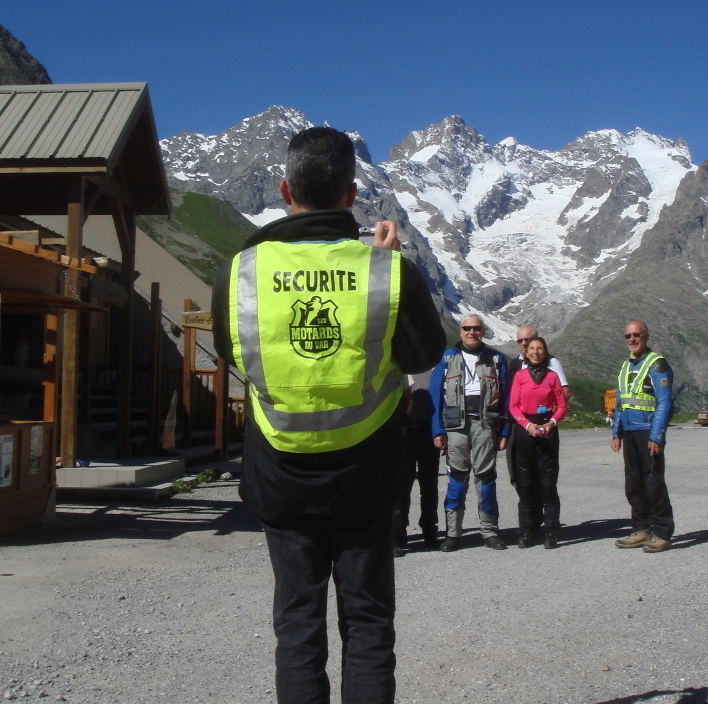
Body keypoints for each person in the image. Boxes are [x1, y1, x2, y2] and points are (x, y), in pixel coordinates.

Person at [211, 126, 445, 704]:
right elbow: (423, 355)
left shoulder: (240, 274)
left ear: (285, 190)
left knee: (297, 626)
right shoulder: (387, 273)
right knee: (367, 624)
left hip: (280, 476)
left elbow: (231, 353)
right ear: (352, 193)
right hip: (367, 478)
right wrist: (385, 267)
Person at [430, 314, 510, 551]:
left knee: (486, 478)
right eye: (467, 328)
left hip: (485, 425)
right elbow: (436, 398)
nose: (471, 332)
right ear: (460, 331)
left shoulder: (496, 359)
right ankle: (453, 534)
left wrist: (504, 429)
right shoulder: (446, 358)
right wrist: (437, 430)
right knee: (456, 478)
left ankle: (489, 531)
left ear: (483, 331)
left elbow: (505, 397)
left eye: (476, 328)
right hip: (455, 428)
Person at [611, 320, 675, 554]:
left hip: (648, 431)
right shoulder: (626, 366)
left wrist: (657, 436)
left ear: (646, 336)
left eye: (636, 335)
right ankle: (641, 528)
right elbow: (620, 401)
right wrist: (616, 433)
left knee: (653, 483)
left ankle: (662, 531)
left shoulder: (657, 365)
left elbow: (665, 402)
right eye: (628, 336)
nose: (632, 340)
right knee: (634, 483)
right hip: (629, 432)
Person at [508, 336, 568, 549]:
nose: (535, 352)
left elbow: (561, 405)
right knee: (525, 484)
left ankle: (551, 531)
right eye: (532, 348)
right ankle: (527, 531)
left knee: (548, 483)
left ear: (545, 352)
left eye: (540, 348)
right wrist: (527, 425)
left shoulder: (552, 377)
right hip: (525, 430)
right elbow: (513, 405)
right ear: (526, 351)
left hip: (548, 431)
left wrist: (552, 423)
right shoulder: (520, 376)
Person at [395, 368, 440, 554]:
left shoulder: (435, 365)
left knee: (429, 484)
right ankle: (397, 534)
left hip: (428, 429)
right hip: (402, 431)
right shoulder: (396, 364)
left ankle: (430, 530)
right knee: (400, 485)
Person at [512, 323, 572, 400]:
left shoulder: (551, 362)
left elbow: (565, 392)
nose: (523, 343)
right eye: (520, 341)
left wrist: (551, 409)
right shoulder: (514, 363)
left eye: (527, 340)